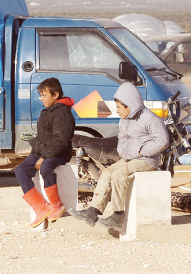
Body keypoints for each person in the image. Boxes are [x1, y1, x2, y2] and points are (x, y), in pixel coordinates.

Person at [68, 83, 170, 231]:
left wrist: (142, 151)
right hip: (129, 159)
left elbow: (163, 141)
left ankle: (118, 214)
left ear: (130, 106)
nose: (117, 111)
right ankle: (93, 211)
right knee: (108, 172)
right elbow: (121, 140)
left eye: (119, 108)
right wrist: (125, 152)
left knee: (118, 174)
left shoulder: (150, 119)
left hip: (146, 161)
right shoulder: (124, 121)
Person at [15, 77, 75, 228]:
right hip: (42, 151)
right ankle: (41, 209)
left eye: (44, 95)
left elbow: (61, 141)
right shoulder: (47, 111)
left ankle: (56, 205)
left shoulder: (63, 113)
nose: (41, 98)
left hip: (58, 153)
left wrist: (45, 156)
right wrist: (37, 149)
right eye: (40, 95)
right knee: (20, 170)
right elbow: (43, 137)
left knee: (46, 166)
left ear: (55, 95)